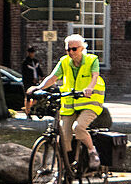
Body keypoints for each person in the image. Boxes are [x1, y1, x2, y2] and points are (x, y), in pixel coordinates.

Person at [31, 33, 105, 170]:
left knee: (78, 127)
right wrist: (38, 88)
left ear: (82, 49)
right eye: (68, 49)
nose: (71, 52)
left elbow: (95, 76)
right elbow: (52, 78)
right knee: (64, 139)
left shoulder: (91, 60)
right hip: (70, 104)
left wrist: (89, 88)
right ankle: (67, 172)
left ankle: (92, 151)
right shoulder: (64, 62)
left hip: (90, 102)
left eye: (74, 49)